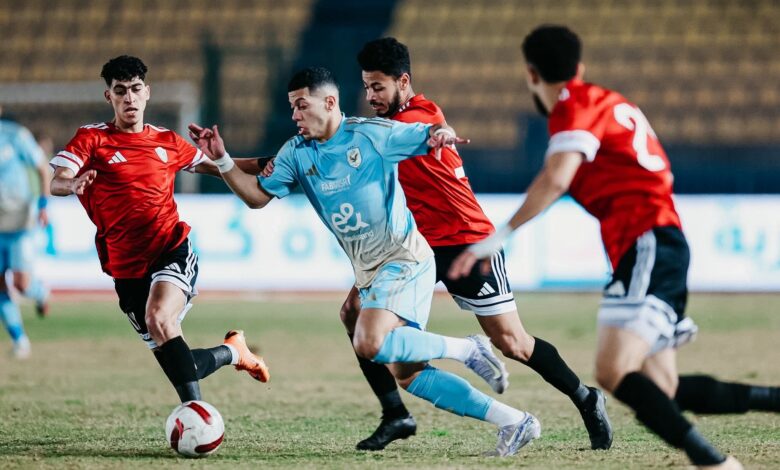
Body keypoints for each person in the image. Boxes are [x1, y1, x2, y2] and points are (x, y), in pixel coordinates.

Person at [450, 25, 777, 469]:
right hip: (657, 241)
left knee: (612, 371)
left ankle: (715, 463)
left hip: (647, 242)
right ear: (579, 66)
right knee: (662, 388)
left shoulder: (573, 104)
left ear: (531, 74)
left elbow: (557, 177)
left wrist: (496, 238)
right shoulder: (611, 102)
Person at [189, 66, 541, 456]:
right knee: (408, 374)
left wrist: (440, 133)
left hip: (404, 258)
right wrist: (222, 161)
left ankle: (468, 349)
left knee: (370, 341)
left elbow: (426, 133)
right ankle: (515, 422)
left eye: (301, 105)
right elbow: (257, 197)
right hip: (369, 271)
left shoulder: (370, 134)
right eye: (291, 107)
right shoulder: (296, 152)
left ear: (329, 102)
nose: (294, 115)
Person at [330, 37, 610, 451]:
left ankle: (585, 397)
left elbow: (418, 131)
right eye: (366, 87)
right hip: (415, 247)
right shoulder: (384, 127)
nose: (370, 96)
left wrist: (437, 133)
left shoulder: (419, 115)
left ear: (403, 82)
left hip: (466, 241)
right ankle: (395, 414)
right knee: (356, 315)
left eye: (378, 87)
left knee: (512, 343)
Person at [48, 55, 270, 403]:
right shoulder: (92, 139)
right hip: (125, 266)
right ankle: (233, 351)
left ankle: (196, 414)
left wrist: (270, 162)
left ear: (147, 92)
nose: (129, 98)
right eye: (120, 91)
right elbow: (56, 182)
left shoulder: (166, 141)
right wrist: (73, 183)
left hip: (169, 247)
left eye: (136, 89)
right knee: (181, 363)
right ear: (109, 96)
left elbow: (220, 167)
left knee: (158, 318)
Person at [0, 106, 51, 358]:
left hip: (19, 220)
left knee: (21, 283)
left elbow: (42, 168)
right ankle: (19, 340)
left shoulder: (15, 135)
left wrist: (43, 204)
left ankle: (40, 292)